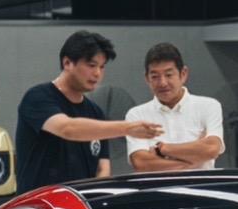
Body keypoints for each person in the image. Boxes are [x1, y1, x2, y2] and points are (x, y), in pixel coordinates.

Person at [14, 31, 160, 194]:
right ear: (67, 63)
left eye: (102, 67)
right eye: (91, 65)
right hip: (39, 204)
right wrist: (127, 128)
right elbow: (67, 128)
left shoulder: (95, 112)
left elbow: (102, 168)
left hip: (79, 205)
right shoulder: (38, 97)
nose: (97, 73)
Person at [124, 43, 224, 172]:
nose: (162, 83)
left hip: (200, 184)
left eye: (169, 75)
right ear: (147, 79)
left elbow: (211, 149)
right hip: (156, 185)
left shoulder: (209, 106)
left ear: (183, 74)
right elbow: (141, 163)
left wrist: (163, 149)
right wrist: (193, 158)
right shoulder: (136, 115)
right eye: (155, 77)